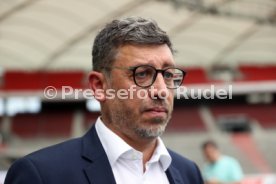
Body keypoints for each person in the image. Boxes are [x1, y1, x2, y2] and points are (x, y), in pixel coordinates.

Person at [4, 17, 204, 184]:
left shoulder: (188, 173)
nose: (161, 90)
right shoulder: (42, 174)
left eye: (168, 75)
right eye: (142, 74)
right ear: (99, 86)